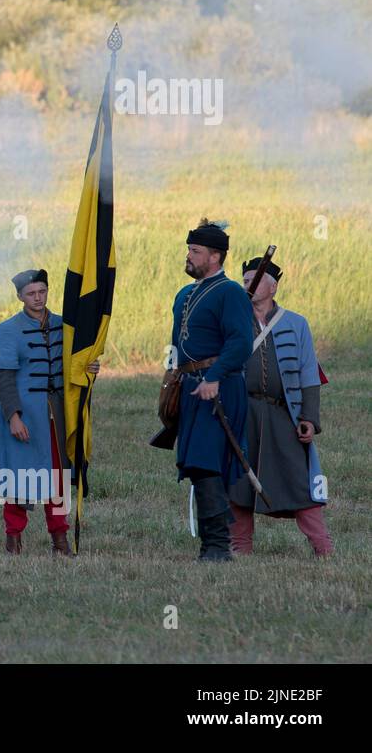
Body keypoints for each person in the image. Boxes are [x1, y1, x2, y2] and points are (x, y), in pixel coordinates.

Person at [228, 256, 332, 556]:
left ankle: (323, 547)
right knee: (238, 483)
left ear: (272, 287)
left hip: (281, 413)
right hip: (242, 412)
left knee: (300, 481)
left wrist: (309, 418)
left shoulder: (296, 323)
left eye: (254, 280)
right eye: (245, 281)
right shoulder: (232, 320)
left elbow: (309, 373)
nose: (248, 285)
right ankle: (240, 547)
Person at [0, 269, 96, 555]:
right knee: (20, 476)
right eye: (31, 293)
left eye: (42, 292)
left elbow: (75, 363)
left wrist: (89, 367)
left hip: (56, 415)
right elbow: (2, 377)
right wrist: (13, 416)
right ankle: (13, 539)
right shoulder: (8, 329)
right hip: (23, 415)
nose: (37, 298)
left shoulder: (63, 325)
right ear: (20, 296)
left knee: (57, 477)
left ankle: (60, 539)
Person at [169, 219, 254, 562]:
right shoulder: (185, 293)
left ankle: (217, 547)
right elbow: (178, 343)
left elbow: (240, 342)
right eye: (189, 249)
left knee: (207, 464)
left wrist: (215, 377)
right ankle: (213, 545)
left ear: (215, 257)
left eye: (196, 251)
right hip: (191, 387)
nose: (189, 256)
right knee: (197, 465)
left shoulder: (230, 292)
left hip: (218, 388)